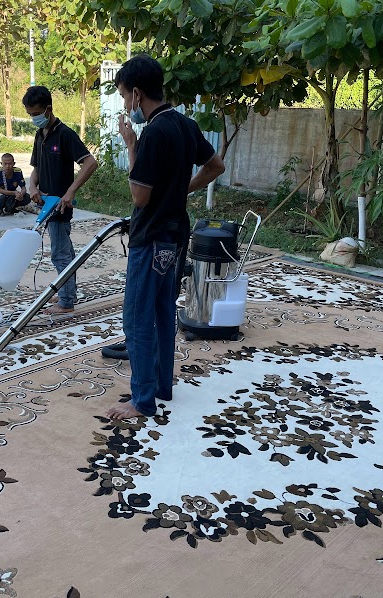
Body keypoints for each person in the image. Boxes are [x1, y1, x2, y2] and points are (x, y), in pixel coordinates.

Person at [105, 55, 226, 420]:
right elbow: (215, 166)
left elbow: (139, 196)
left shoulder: (154, 131)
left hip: (151, 234)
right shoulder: (186, 124)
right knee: (161, 310)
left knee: (138, 317)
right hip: (174, 236)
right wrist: (181, 191)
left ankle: (141, 400)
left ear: (138, 93)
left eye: (126, 96)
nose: (127, 105)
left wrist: (131, 146)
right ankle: (160, 386)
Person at [22, 85, 98, 315]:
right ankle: (66, 290)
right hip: (45, 204)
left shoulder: (65, 134)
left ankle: (66, 301)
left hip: (59, 205)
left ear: (48, 109)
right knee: (62, 251)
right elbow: (36, 167)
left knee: (61, 253)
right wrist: (32, 186)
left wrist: (71, 191)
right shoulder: (40, 135)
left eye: (36, 114)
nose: (34, 118)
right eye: (30, 115)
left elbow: (90, 162)